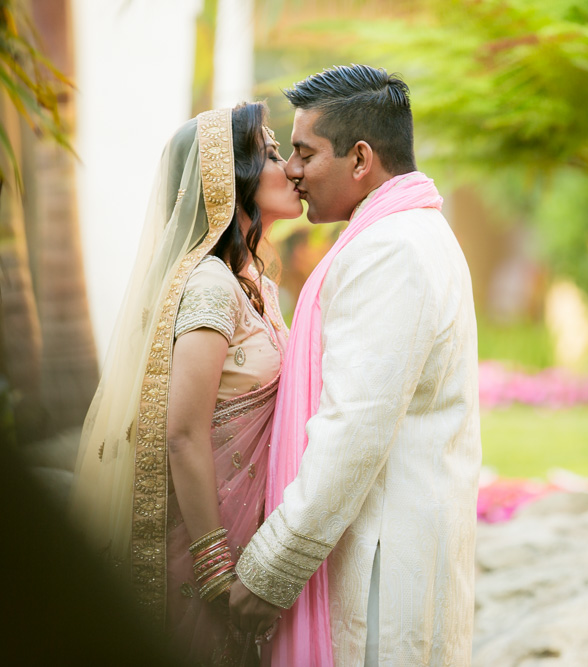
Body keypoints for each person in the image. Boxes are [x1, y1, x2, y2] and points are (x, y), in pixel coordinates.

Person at [229, 65, 481, 667]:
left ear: (361, 158)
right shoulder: (408, 233)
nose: (291, 170)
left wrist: (271, 568)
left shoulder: (391, 250)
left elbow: (353, 432)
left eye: (304, 152)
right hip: (388, 549)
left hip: (379, 570)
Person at [71, 102, 302, 666]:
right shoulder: (209, 286)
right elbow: (183, 433)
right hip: (204, 553)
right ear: (229, 179)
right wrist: (215, 569)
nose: (291, 168)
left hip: (246, 537)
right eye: (272, 154)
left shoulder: (253, 285)